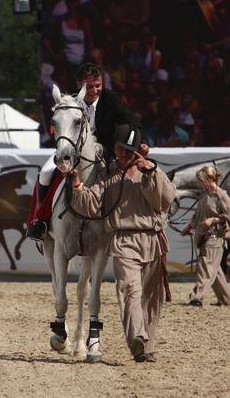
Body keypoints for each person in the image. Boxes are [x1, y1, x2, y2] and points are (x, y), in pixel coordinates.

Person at [68, 123, 176, 362]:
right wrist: (76, 184)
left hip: (154, 239)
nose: (126, 153)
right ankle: (137, 338)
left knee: (151, 299)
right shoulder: (106, 175)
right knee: (129, 291)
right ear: (114, 148)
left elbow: (166, 199)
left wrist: (149, 170)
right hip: (123, 240)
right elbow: (92, 205)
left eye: (131, 149)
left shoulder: (149, 171)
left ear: (139, 149)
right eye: (122, 148)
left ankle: (147, 348)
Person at [26, 62, 147, 241]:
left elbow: (132, 123)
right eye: (89, 86)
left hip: (105, 151)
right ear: (79, 85)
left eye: (98, 85)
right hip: (71, 151)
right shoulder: (70, 102)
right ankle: (40, 221)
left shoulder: (110, 99)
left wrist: (141, 142)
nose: (94, 90)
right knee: (44, 173)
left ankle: (124, 221)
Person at [181, 166, 230, 306]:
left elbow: (228, 216)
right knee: (215, 270)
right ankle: (226, 300)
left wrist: (214, 220)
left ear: (209, 179)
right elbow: (198, 214)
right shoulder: (205, 194)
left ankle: (196, 297)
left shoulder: (221, 196)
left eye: (201, 180)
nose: (199, 183)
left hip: (215, 237)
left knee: (205, 266)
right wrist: (189, 226)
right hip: (203, 235)